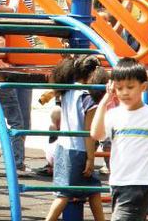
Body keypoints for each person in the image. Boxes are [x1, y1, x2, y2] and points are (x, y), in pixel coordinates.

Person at [91, 58, 148, 221]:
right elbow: (96, 134)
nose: (124, 92)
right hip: (118, 181)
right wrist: (104, 102)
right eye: (119, 88)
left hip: (140, 182)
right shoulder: (114, 115)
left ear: (143, 87)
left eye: (130, 87)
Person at [45, 55, 104, 221]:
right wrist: (90, 159)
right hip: (78, 150)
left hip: (63, 148)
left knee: (93, 189)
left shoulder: (67, 90)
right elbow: (88, 131)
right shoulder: (87, 97)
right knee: (64, 194)